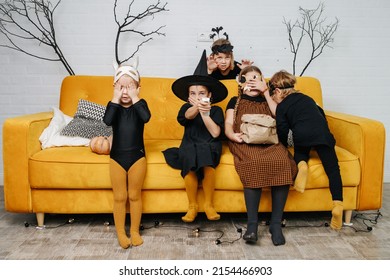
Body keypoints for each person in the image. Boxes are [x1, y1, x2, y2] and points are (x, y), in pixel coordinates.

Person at [225, 65, 297, 246]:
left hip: (269, 141)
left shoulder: (269, 99)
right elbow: (228, 123)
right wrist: (232, 135)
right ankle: (252, 226)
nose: (252, 80)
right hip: (245, 141)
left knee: (282, 160)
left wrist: (265, 92)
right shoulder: (235, 100)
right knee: (253, 162)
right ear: (241, 82)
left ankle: (275, 224)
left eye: (256, 77)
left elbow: (278, 115)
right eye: (247, 78)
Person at [268, 70, 343, 230]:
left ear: (278, 91)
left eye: (273, 96)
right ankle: (338, 204)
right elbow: (321, 116)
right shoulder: (309, 99)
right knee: (333, 169)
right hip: (322, 134)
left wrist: (283, 144)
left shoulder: (282, 107)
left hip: (301, 135)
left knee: (300, 151)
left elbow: (282, 130)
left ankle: (302, 165)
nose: (274, 100)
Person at [163, 50, 228, 222]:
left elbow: (215, 133)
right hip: (190, 144)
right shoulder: (187, 109)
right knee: (189, 155)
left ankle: (209, 205)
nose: (197, 96)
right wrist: (197, 108)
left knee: (206, 154)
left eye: (201, 93)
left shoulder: (215, 110)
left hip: (209, 145)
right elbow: (187, 117)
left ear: (209, 95)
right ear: (188, 96)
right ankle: (192, 206)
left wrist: (205, 114)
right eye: (193, 93)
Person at [103, 59, 151, 249]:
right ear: (115, 88)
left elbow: (146, 117)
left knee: (134, 195)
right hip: (117, 158)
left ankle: (134, 231)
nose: (126, 92)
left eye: (130, 87)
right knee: (119, 197)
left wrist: (135, 96)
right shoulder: (113, 106)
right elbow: (107, 121)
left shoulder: (141, 104)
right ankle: (121, 233)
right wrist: (114, 98)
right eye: (121, 87)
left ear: (138, 88)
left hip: (137, 158)